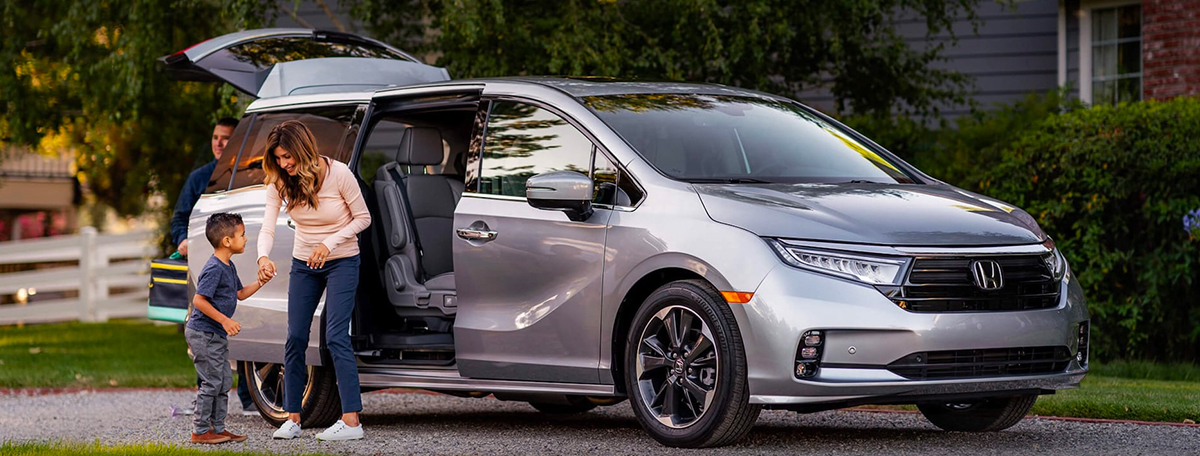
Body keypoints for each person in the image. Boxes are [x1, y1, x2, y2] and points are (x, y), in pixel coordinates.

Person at [256, 120, 371, 441]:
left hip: (342, 261)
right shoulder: (280, 182)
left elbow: (364, 218)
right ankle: (292, 417)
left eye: (287, 157)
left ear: (303, 150)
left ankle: (351, 422)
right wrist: (262, 257)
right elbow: (267, 227)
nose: (284, 164)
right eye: (278, 158)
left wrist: (328, 244)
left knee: (335, 336)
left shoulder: (339, 174)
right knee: (294, 338)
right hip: (304, 264)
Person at [172, 117, 259, 417]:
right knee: (207, 332)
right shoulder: (200, 178)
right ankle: (205, 405)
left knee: (244, 326)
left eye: (226, 138)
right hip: (206, 262)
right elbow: (179, 216)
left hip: (239, 260)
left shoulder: (251, 176)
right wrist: (182, 239)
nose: (219, 143)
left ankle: (250, 397)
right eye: (215, 137)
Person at [186, 212, 271, 445]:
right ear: (226, 241)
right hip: (203, 332)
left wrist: (260, 283)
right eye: (242, 235)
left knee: (223, 380)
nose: (245, 239)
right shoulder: (214, 268)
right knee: (212, 382)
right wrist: (225, 320)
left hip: (216, 333)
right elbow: (199, 301)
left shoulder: (228, 266)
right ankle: (200, 431)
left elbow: (239, 294)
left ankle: (218, 428)